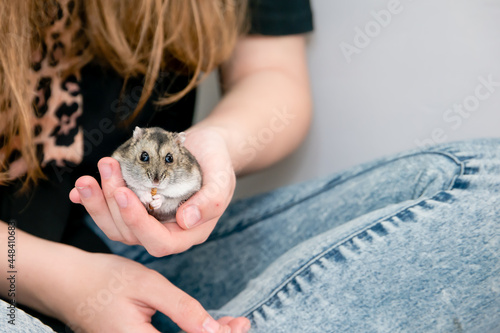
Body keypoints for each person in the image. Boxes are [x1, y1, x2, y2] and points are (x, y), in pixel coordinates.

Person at [1, 1, 499, 333]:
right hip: (13, 275)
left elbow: (272, 75)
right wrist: (68, 287)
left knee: (489, 188)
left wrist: (216, 145)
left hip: (130, 253)